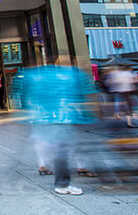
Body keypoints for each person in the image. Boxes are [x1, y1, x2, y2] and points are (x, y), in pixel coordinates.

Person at [15, 60, 96, 196]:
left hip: (44, 118)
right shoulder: (67, 75)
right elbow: (83, 93)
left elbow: (22, 93)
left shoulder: (35, 76)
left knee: (52, 147)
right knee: (61, 150)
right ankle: (62, 184)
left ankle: (52, 172)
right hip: (60, 118)